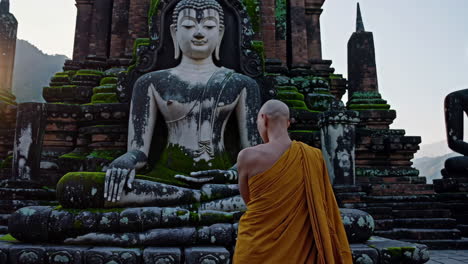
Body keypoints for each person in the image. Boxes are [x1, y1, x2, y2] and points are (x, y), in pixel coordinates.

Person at [233, 100, 353, 264]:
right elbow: (323, 206)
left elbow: (249, 200)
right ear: (288, 123)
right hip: (302, 247)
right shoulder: (314, 156)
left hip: (256, 246)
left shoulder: (247, 157)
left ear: (264, 119)